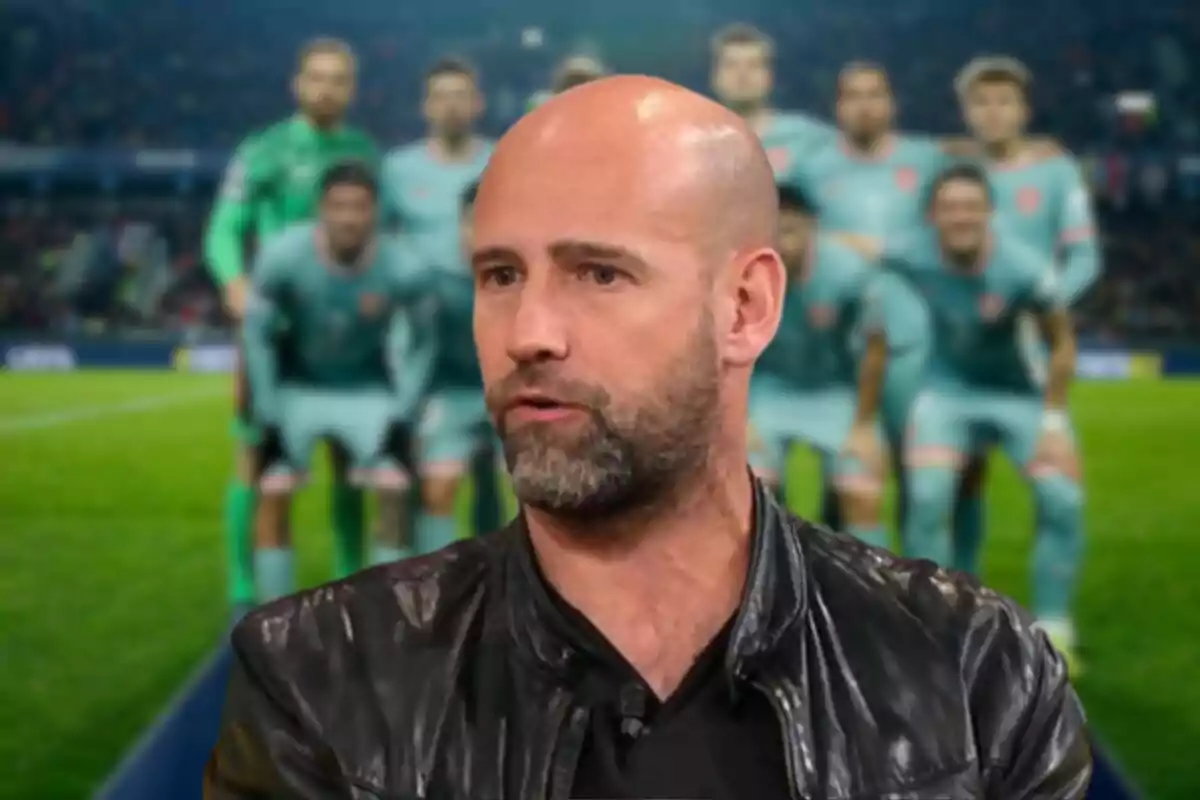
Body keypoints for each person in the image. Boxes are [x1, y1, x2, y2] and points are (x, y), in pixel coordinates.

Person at [207, 76, 1090, 799]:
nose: (529, 331)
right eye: (500, 274)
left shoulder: (984, 680)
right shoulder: (318, 680)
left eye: (600, 272)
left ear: (745, 308)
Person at [843, 163, 1085, 673]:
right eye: (950, 208)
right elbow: (859, 244)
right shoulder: (912, 253)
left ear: (989, 212)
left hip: (1019, 396)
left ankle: (1057, 624)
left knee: (1061, 495)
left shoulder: (1024, 268)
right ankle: (936, 619)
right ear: (933, 216)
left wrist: (1055, 420)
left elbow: (1061, 341)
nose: (961, 217)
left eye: (971, 206)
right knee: (929, 496)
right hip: (945, 393)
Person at [204, 38, 380, 616]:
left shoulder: (364, 152)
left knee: (350, 462)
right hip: (276, 332)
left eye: (339, 79)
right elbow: (224, 227)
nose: (327, 88)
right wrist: (234, 282)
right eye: (317, 77)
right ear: (297, 84)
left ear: (352, 89)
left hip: (349, 334)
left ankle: (349, 585)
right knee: (254, 460)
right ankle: (241, 588)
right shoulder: (265, 150)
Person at [240, 162, 431, 600]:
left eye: (359, 207)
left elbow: (423, 344)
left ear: (375, 212)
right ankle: (275, 619)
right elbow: (258, 335)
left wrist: (403, 415)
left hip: (368, 389)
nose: (348, 217)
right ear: (320, 210)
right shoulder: (283, 255)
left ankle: (389, 618)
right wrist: (267, 415)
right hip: (298, 387)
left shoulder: (404, 268)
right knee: (271, 488)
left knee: (393, 487)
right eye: (338, 206)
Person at [953, 56, 1099, 606]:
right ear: (967, 112)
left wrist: (1046, 302)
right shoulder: (950, 172)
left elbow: (1084, 254)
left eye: (1004, 101)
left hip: (1031, 354)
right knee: (959, 483)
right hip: (959, 354)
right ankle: (958, 606)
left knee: (1056, 488)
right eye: (982, 102)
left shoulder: (1057, 173)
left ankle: (1055, 619)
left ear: (1024, 109)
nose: (993, 112)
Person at [382, 56, 497, 554]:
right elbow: (382, 247)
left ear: (478, 103)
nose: (451, 104)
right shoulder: (398, 169)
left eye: (461, 94)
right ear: (426, 106)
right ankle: (425, 589)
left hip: (497, 337)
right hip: (426, 341)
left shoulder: (504, 159)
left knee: (500, 482)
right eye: (441, 95)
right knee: (417, 474)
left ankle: (512, 594)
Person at [749, 184, 887, 546]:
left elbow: (875, 346)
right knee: (751, 489)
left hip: (833, 393)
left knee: (862, 493)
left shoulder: (849, 272)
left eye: (792, 231)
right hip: (769, 390)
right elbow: (722, 348)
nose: (784, 242)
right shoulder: (741, 273)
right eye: (774, 231)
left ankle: (868, 597)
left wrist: (865, 425)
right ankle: (772, 591)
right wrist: (740, 419)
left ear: (813, 229)